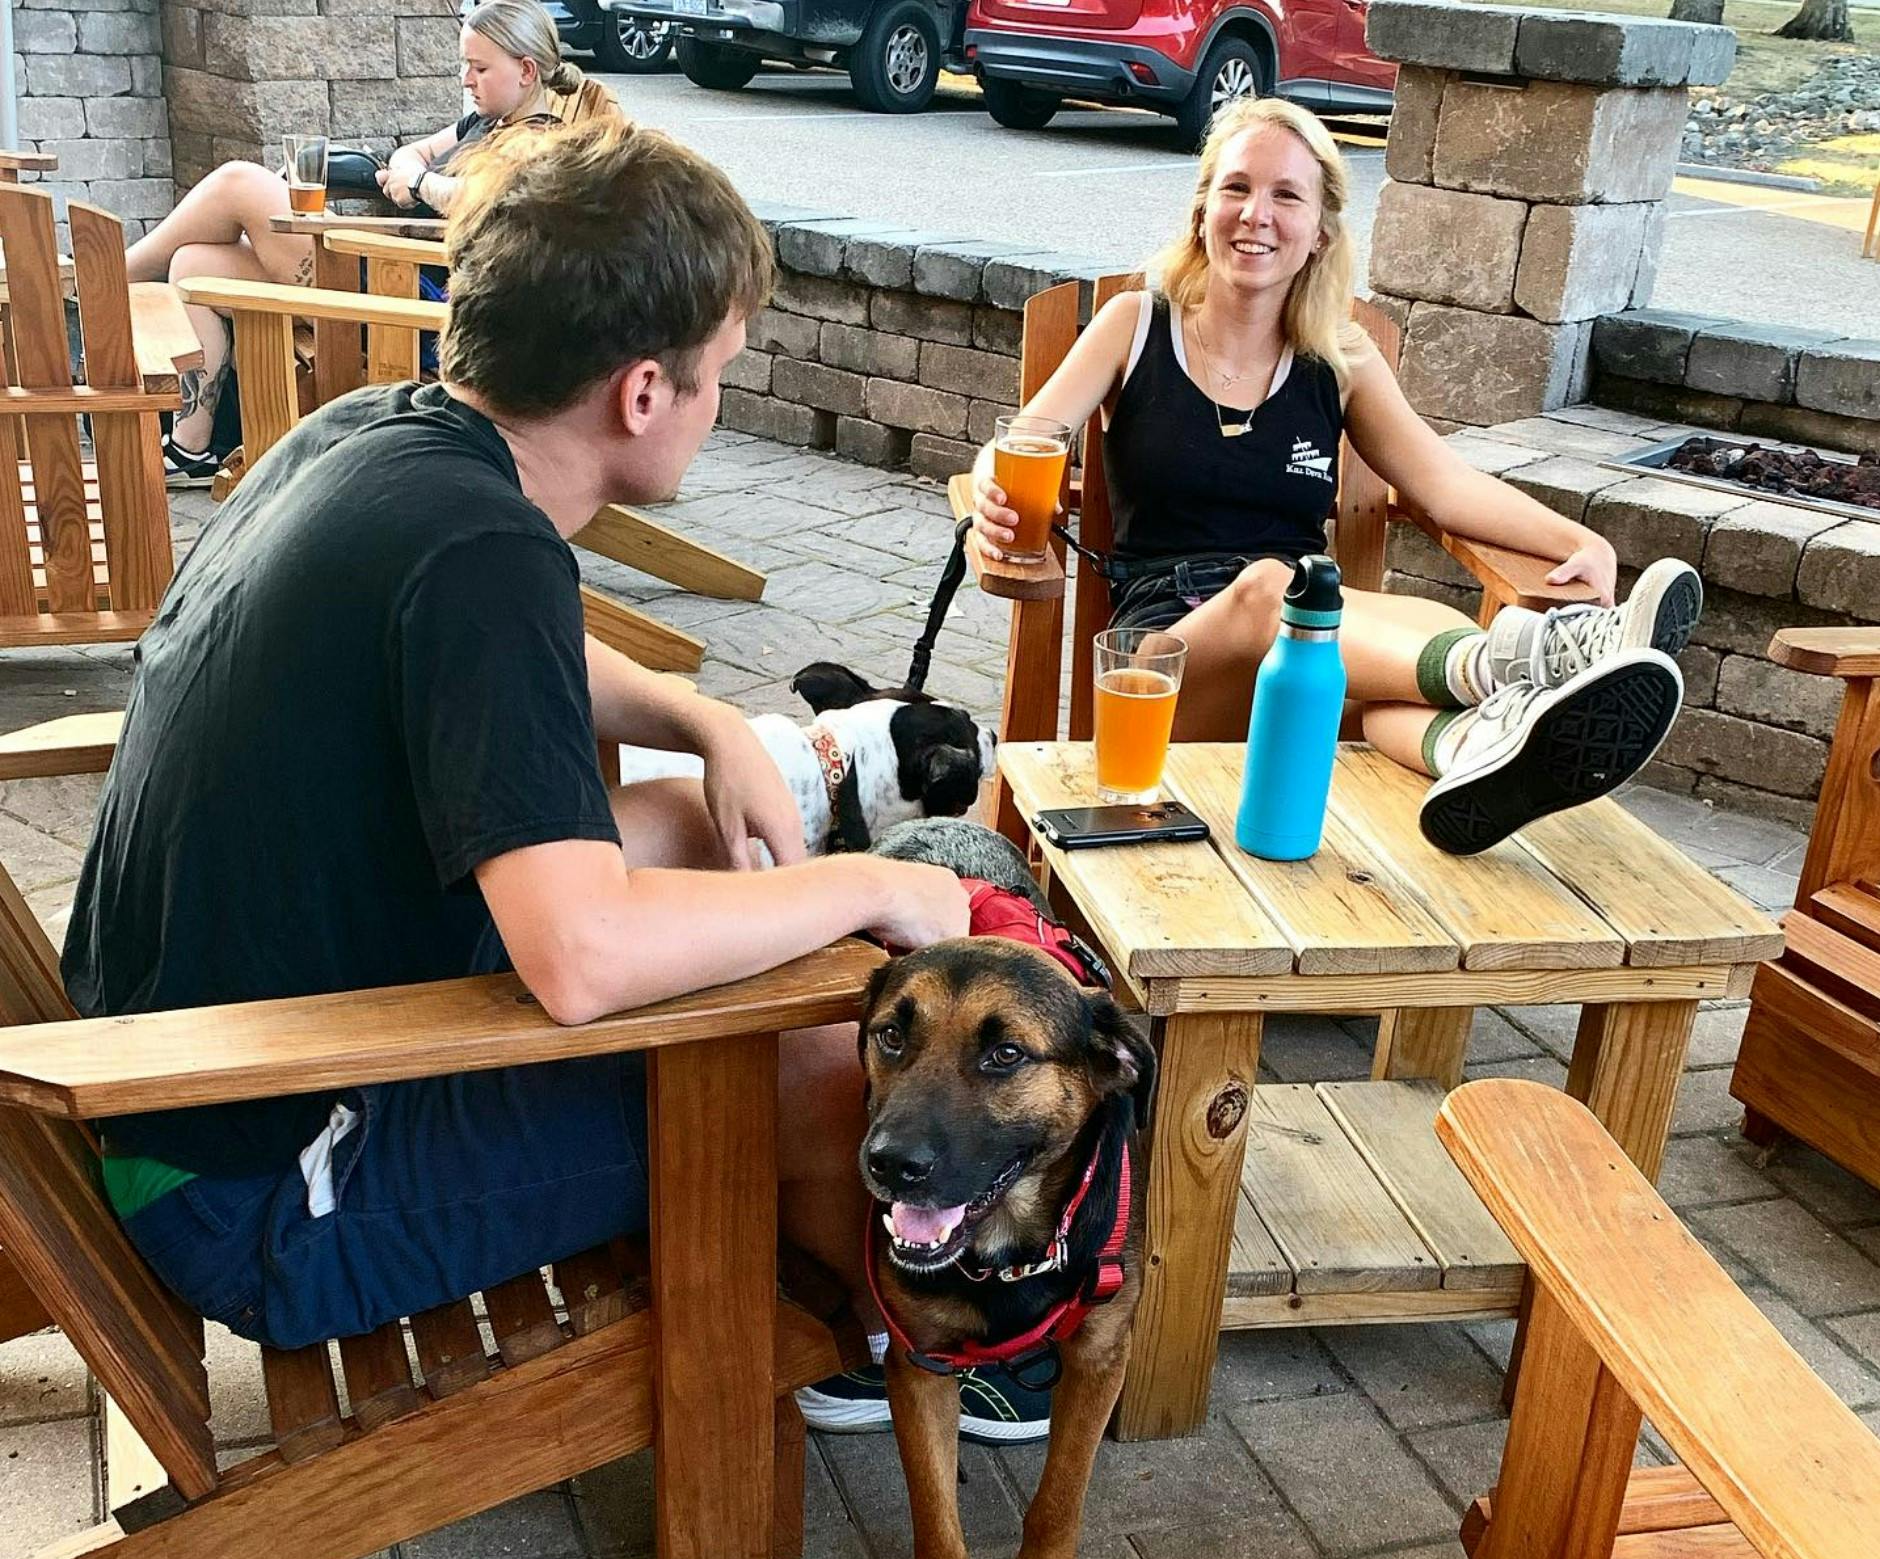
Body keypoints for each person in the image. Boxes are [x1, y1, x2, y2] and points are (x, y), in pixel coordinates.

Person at [63, 121, 969, 1368]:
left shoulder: (384, 434)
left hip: (177, 1080)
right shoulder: (487, 553)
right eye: (718, 374)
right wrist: (875, 881)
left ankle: (824, 1290)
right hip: (264, 1187)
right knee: (804, 1061)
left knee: (693, 835)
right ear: (643, 391)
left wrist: (700, 717)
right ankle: (900, 1361)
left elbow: (504, 660)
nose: (716, 404)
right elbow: (583, 961)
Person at [968, 96, 1701, 855]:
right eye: (1237, 187)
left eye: (1286, 195)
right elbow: (1026, 440)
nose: (1257, 214)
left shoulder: (1340, 360)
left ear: (1320, 231)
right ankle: (1539, 659)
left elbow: (1443, 485)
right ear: (1202, 209)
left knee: (1385, 656)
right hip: (1170, 666)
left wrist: (1577, 537)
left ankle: (1483, 748)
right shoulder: (1136, 325)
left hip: (1306, 660)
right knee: (1266, 594)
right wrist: (995, 480)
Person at [126, 0, 580, 485]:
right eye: (465, 65)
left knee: (240, 182)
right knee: (195, 264)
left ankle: (109, 276)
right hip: (384, 279)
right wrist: (411, 168)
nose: (467, 79)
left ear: (527, 70)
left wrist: (421, 183)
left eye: (480, 67)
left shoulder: (542, 147)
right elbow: (412, 151)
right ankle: (192, 448)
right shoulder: (485, 124)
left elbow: (483, 198)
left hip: (414, 309)